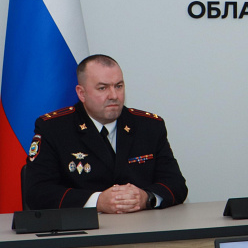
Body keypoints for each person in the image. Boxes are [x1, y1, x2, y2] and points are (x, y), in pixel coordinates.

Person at [24, 54, 188, 213]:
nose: (114, 96)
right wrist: (97, 202)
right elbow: (37, 192)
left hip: (143, 225)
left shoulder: (149, 126)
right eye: (102, 88)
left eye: (119, 86)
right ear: (81, 93)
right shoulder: (54, 129)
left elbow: (176, 184)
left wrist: (146, 197)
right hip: (83, 228)